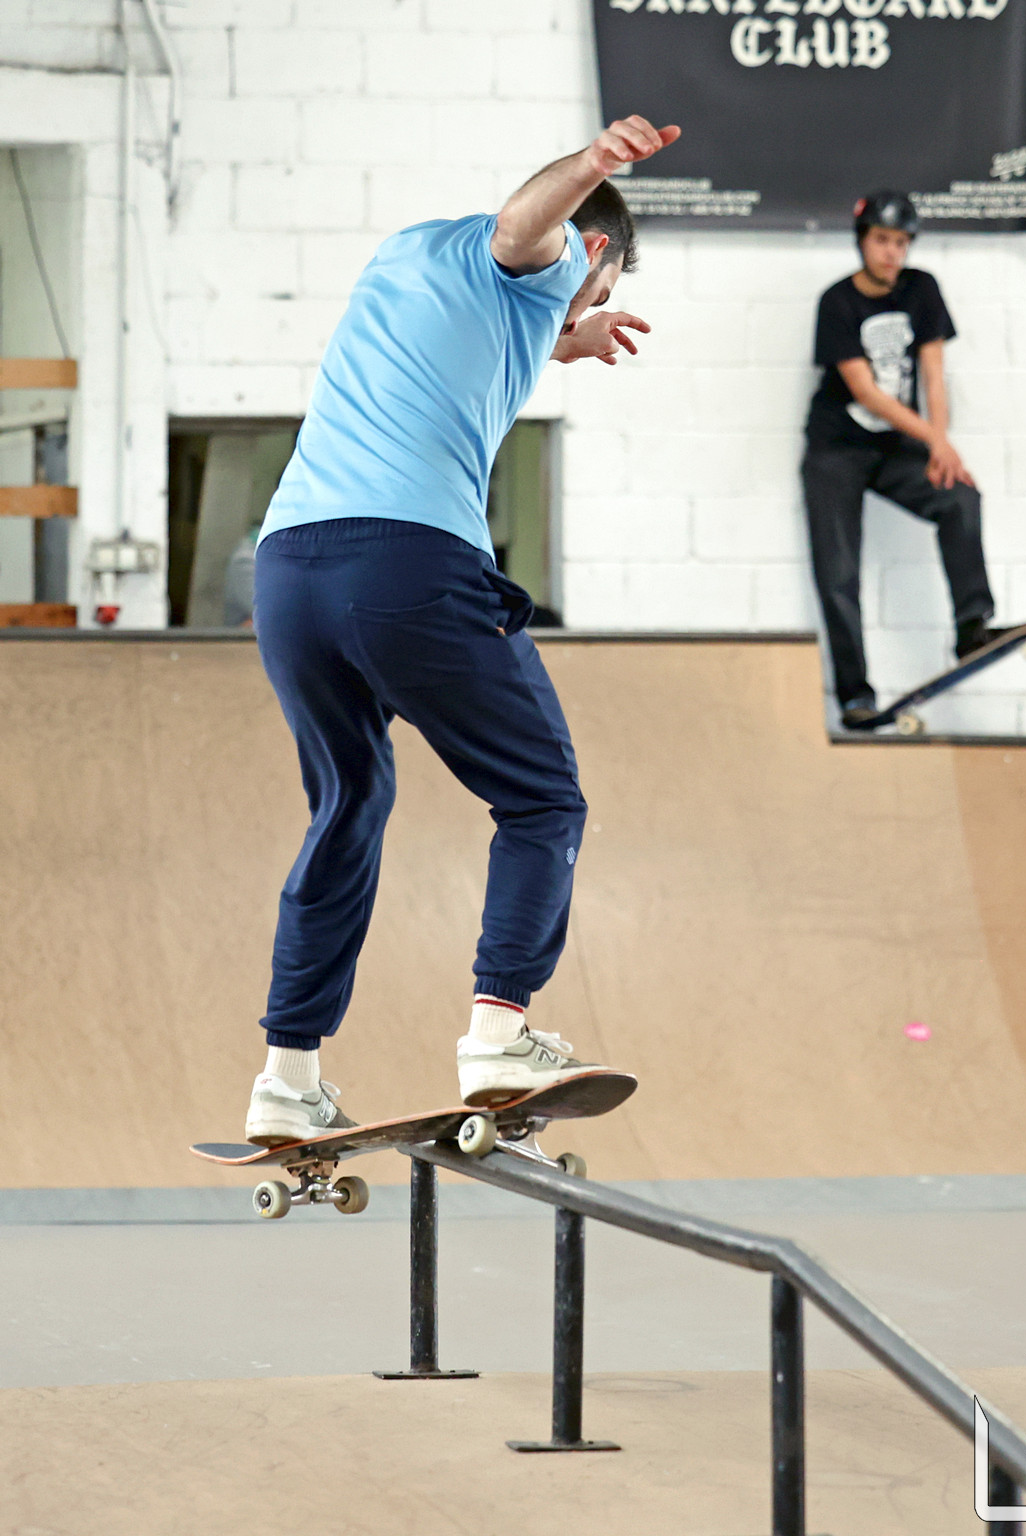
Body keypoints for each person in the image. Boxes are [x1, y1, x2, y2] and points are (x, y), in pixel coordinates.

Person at [244, 115, 681, 1146]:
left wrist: (561, 341)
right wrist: (592, 167)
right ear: (596, 251)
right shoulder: (549, 249)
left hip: (288, 572)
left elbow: (467, 326)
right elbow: (525, 230)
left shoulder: (406, 254)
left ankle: (287, 1076)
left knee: (348, 803)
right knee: (541, 797)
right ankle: (499, 1034)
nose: (583, 307)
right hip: (403, 564)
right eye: (593, 295)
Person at [801, 191, 1021, 732]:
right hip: (836, 450)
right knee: (838, 572)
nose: (892, 253)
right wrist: (934, 440)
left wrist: (938, 444)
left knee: (959, 497)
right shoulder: (837, 302)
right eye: (882, 240)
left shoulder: (922, 289)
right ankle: (855, 696)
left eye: (901, 242)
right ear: (862, 241)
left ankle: (972, 628)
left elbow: (933, 375)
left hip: (897, 447)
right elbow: (866, 391)